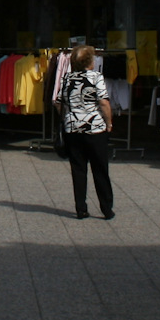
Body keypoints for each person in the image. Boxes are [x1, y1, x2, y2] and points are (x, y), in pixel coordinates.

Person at [59, 43, 115, 220]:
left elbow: (59, 102)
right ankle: (106, 208)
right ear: (89, 61)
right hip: (94, 128)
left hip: (73, 128)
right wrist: (109, 123)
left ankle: (81, 208)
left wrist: (68, 118)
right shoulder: (96, 77)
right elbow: (104, 102)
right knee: (100, 169)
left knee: (78, 169)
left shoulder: (67, 78)